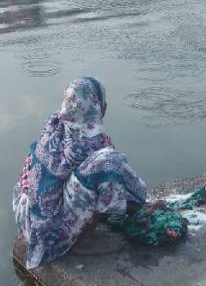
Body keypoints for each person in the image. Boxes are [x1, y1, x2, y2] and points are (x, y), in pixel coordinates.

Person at [13, 78, 146, 270]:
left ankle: (69, 229)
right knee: (108, 163)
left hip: (26, 218)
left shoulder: (55, 126)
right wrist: (141, 208)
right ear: (97, 106)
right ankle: (84, 241)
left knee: (90, 174)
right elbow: (122, 186)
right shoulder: (94, 140)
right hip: (50, 235)